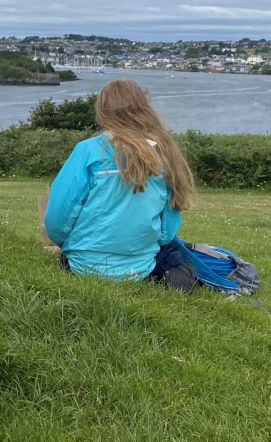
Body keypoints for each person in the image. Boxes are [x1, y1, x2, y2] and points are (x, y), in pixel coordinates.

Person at [44, 78, 197, 290]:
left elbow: (57, 220)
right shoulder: (164, 153)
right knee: (175, 253)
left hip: (83, 264)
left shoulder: (87, 151)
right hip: (142, 266)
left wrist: (69, 246)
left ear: (102, 109)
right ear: (144, 107)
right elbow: (166, 232)